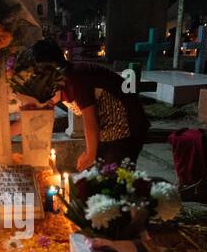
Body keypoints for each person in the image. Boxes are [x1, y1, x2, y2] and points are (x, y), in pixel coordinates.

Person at [16, 39, 151, 170]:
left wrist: (90, 154)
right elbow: (35, 115)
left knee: (114, 176)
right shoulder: (57, 85)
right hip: (107, 130)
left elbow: (89, 119)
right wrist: (3, 137)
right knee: (101, 176)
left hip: (126, 126)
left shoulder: (76, 77)